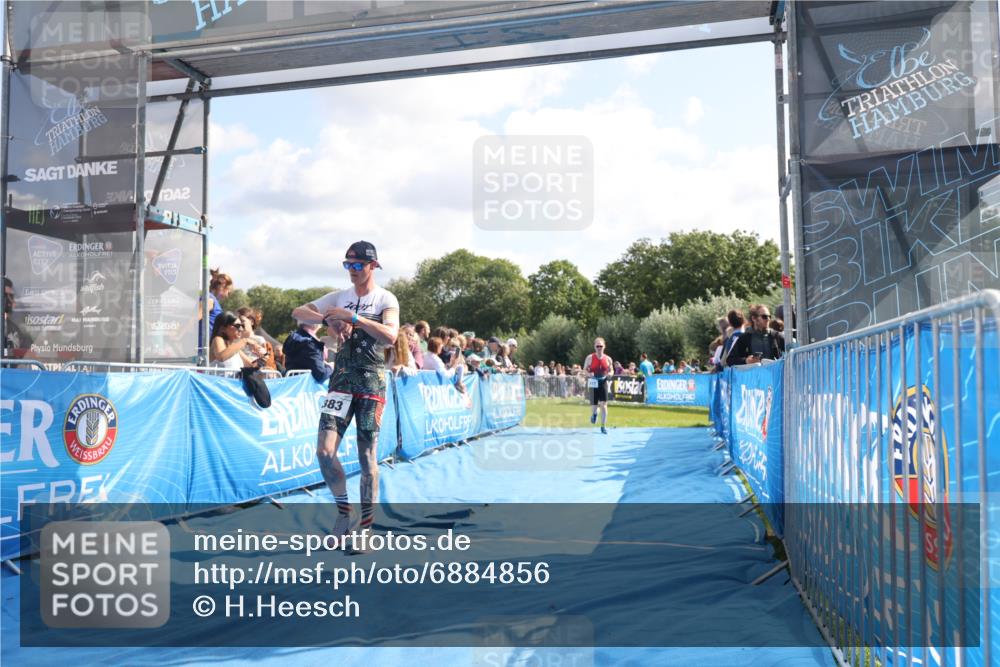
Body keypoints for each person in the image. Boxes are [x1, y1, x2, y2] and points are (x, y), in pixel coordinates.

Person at [291, 241, 399, 544]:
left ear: (373, 266)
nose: (352, 271)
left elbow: (390, 336)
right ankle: (343, 512)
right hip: (340, 383)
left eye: (357, 265)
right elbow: (299, 312)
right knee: (325, 451)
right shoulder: (339, 297)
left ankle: (366, 527)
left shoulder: (385, 298)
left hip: (370, 385)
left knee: (367, 457)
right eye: (347, 265)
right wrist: (330, 319)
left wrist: (355, 319)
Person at [583, 337, 613, 434]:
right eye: (597, 346)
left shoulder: (608, 359)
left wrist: (610, 374)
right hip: (593, 382)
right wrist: (589, 374)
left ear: (604, 347)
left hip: (603, 381)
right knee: (594, 406)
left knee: (604, 405)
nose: (599, 348)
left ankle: (603, 426)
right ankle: (594, 414)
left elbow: (611, 370)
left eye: (601, 346)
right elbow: (584, 370)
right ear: (594, 347)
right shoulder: (590, 357)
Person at [3, 277, 33, 358]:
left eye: (11, 296)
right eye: (5, 296)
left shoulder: (14, 328)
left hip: (11, 369)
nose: (11, 302)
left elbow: (29, 350)